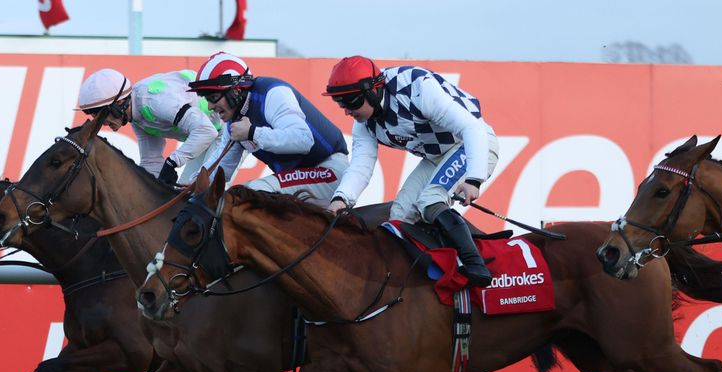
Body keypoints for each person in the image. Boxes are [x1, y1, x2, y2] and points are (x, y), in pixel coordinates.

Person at [324, 56, 499, 287]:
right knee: (400, 215)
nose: (346, 110)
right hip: (438, 157)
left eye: (351, 102)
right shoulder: (364, 124)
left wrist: (474, 179)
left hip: (472, 144)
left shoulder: (416, 87)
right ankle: (424, 279)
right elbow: (360, 165)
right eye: (340, 103)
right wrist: (340, 199)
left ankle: (476, 266)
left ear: (373, 91)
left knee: (430, 201)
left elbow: (472, 127)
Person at [184, 52, 349, 206]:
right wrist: (190, 185)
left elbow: (304, 140)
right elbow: (220, 167)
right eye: (207, 99)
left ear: (236, 90)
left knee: (245, 196)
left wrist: (253, 133)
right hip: (304, 178)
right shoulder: (234, 122)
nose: (210, 106)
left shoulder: (273, 93)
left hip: (328, 171)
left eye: (213, 98)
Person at [76, 68, 222, 185]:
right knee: (184, 195)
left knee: (204, 193)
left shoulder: (154, 102)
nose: (103, 123)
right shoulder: (137, 117)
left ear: (120, 103)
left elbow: (205, 131)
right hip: (207, 134)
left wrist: (172, 162)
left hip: (225, 129)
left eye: (102, 115)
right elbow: (151, 162)